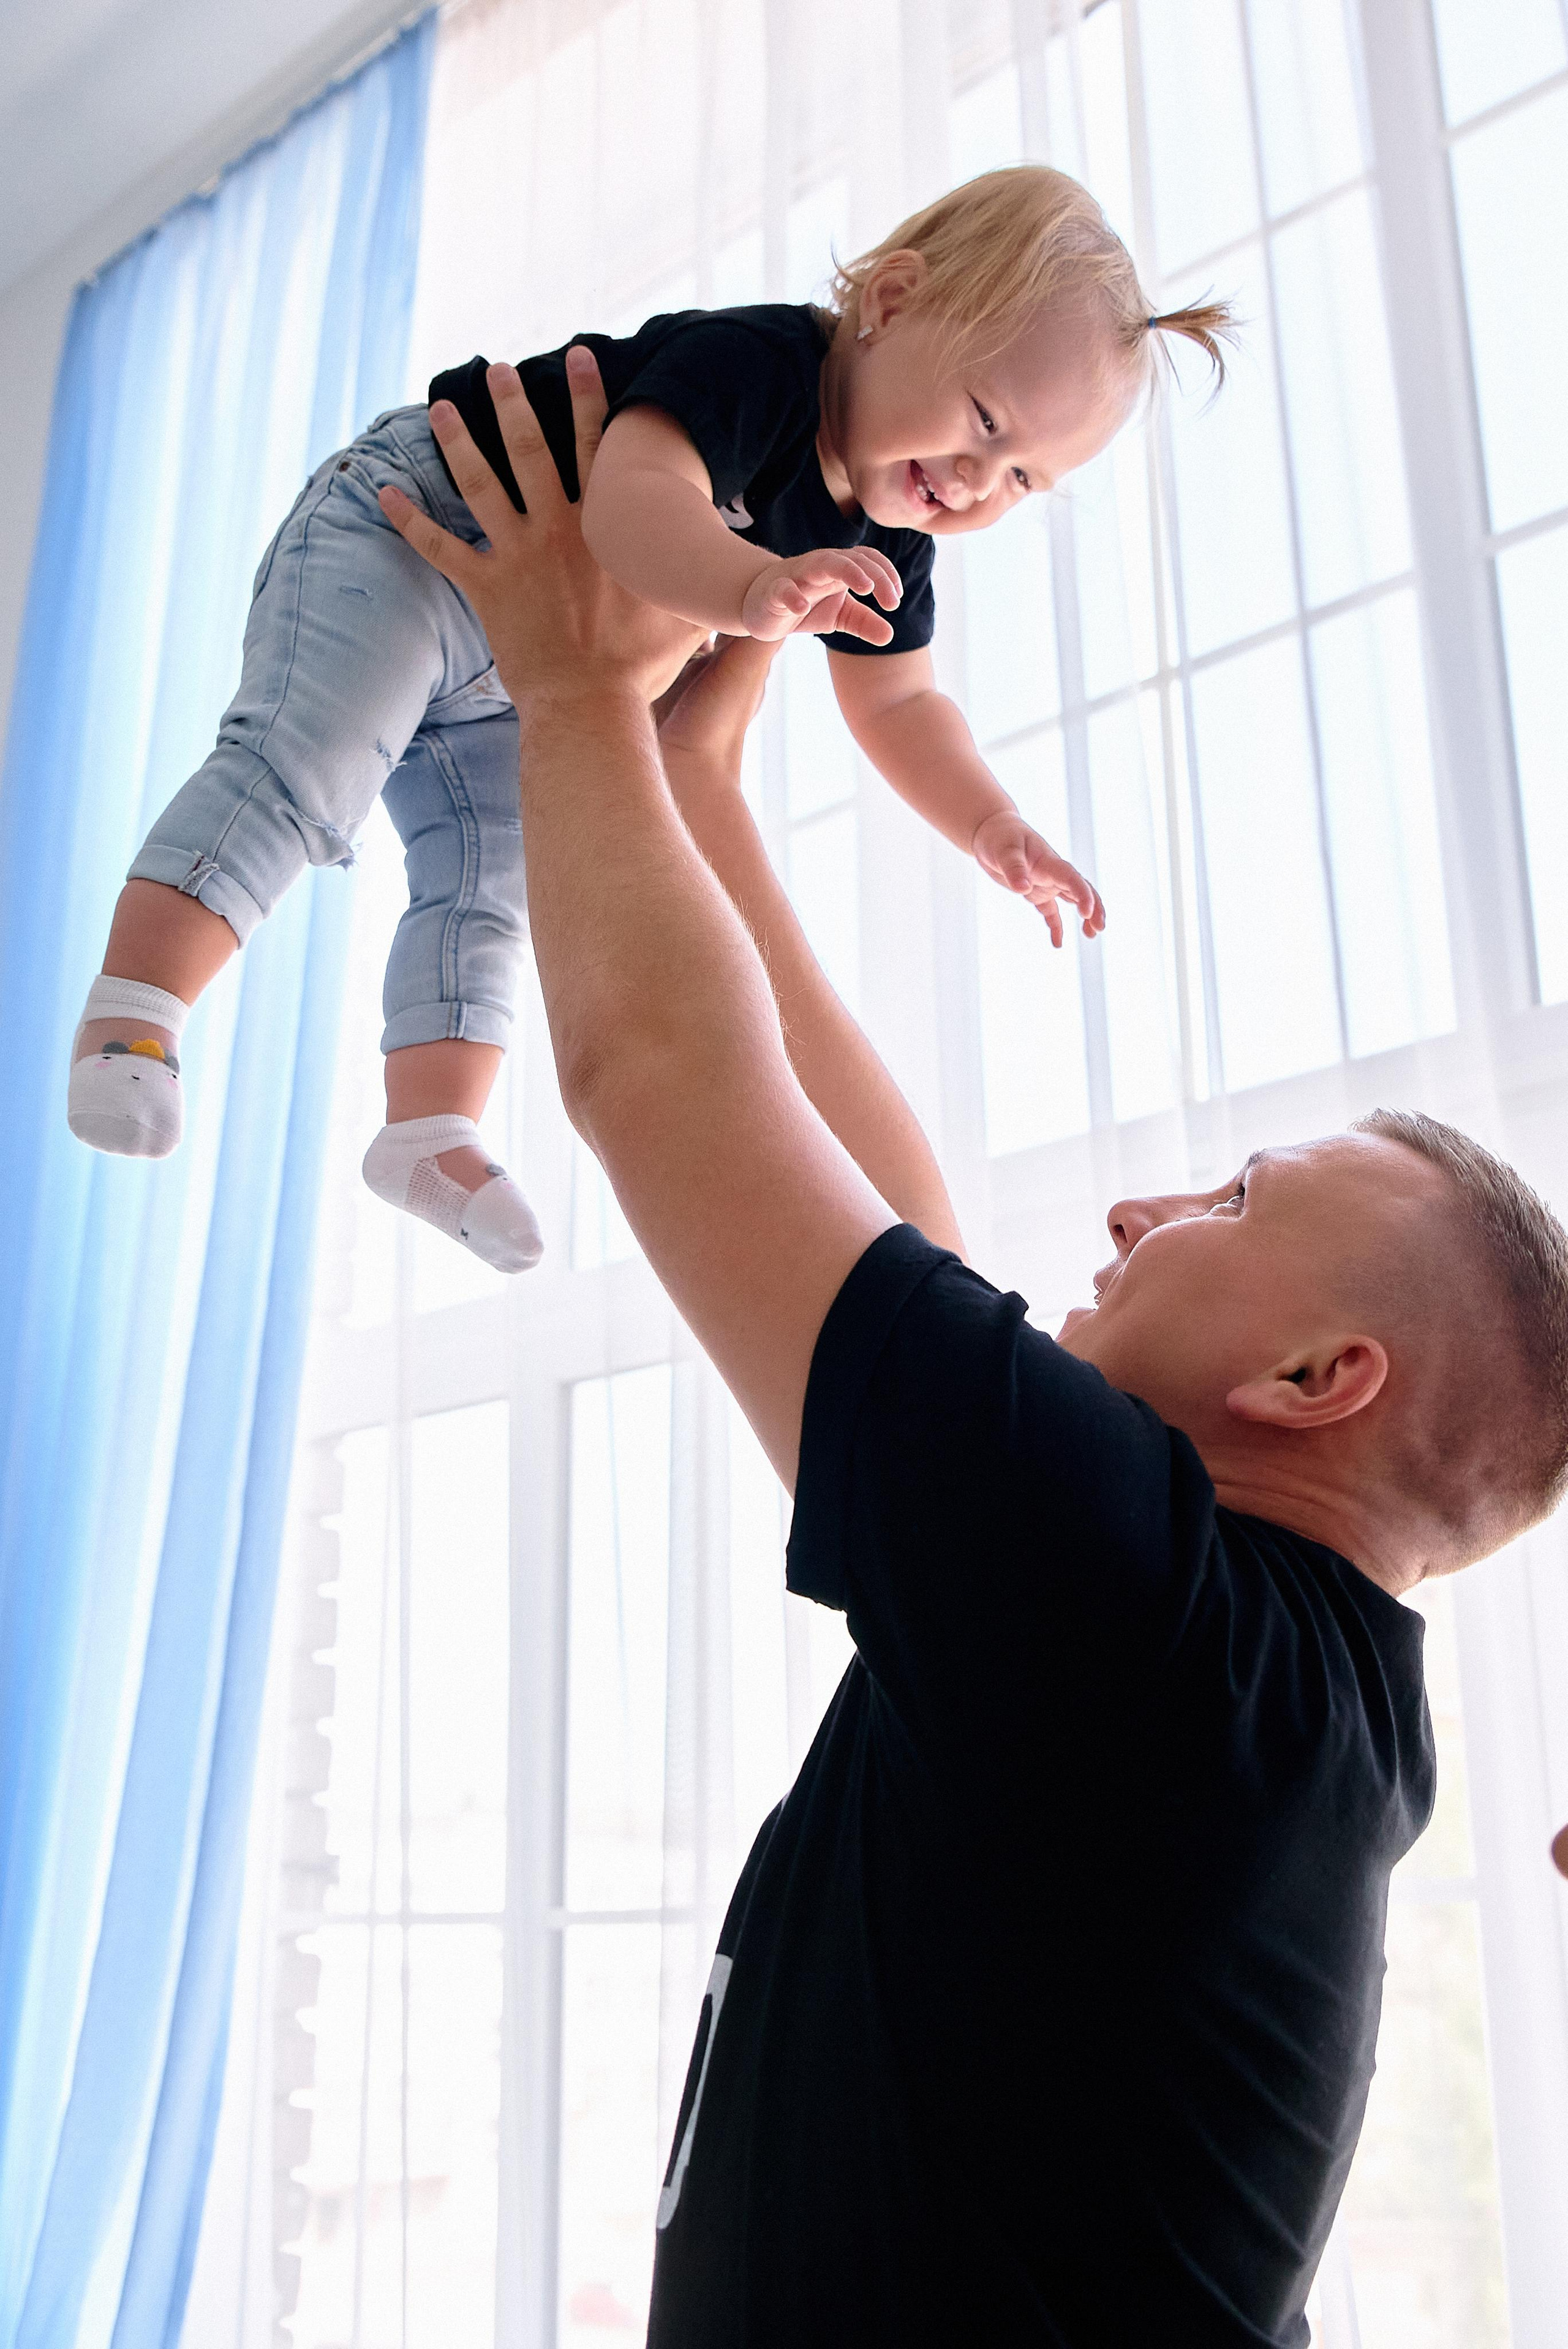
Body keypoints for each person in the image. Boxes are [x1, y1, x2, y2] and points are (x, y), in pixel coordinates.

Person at [380, 356, 1568, 2347]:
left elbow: (664, 1077)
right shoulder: (1279, 1678)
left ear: (1318, 1379)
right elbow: (899, 1241)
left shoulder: (1136, 1611)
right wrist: (697, 789)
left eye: (1231, 1199)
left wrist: (573, 689)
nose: (1137, 1213)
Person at [66, 163, 1231, 1277]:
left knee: (493, 875)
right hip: (420, 529)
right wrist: (748, 586)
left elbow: (902, 699)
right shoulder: (763, 368)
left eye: (1022, 478)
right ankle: (136, 1012)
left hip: (522, 659)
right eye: (984, 419)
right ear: (888, 303)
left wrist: (990, 823)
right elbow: (631, 506)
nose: (978, 478)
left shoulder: (891, 538)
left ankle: (428, 1129)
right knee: (310, 769)